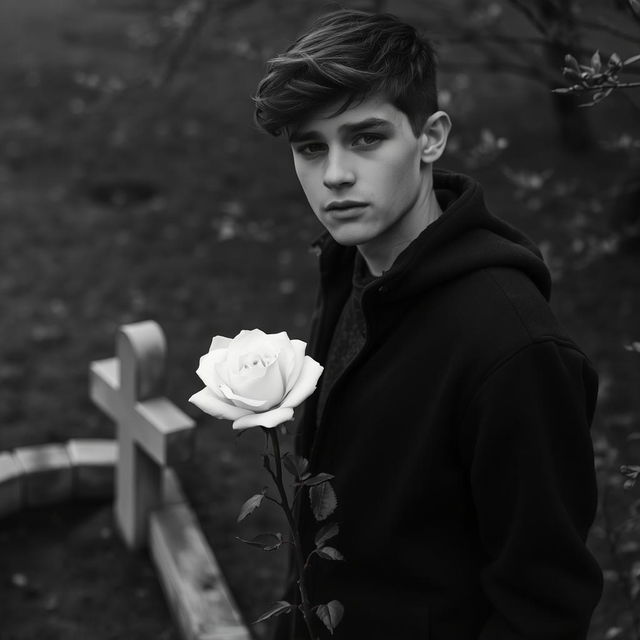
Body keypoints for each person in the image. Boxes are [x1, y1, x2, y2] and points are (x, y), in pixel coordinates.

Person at [252, 9, 602, 640]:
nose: (334, 175)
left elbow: (542, 606)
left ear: (431, 138)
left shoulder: (514, 349)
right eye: (311, 147)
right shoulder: (350, 268)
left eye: (366, 138)